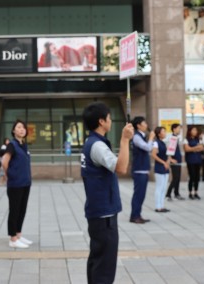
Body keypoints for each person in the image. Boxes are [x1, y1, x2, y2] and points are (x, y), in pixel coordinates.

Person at [81, 102, 134, 284]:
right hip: (104, 213)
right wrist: (125, 139)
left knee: (98, 259)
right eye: (109, 118)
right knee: (105, 264)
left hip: (98, 210)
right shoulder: (97, 146)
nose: (111, 121)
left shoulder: (92, 142)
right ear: (101, 121)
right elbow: (121, 167)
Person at [2, 120, 32, 249]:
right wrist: (10, 175)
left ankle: (18, 235)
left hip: (25, 183)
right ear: (14, 130)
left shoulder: (24, 145)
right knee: (14, 211)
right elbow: (4, 162)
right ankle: (12, 238)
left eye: (23, 128)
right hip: (15, 184)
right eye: (19, 127)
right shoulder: (12, 145)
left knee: (22, 210)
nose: (22, 129)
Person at [130, 116, 155, 224]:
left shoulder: (142, 136)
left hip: (143, 170)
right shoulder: (136, 137)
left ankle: (138, 214)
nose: (146, 125)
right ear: (138, 125)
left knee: (141, 194)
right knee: (138, 194)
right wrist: (151, 138)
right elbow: (147, 148)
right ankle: (134, 216)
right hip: (139, 170)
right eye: (144, 123)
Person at [152, 127, 171, 213]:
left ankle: (162, 205)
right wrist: (163, 162)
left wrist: (167, 162)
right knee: (159, 187)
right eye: (163, 131)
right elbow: (154, 155)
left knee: (164, 187)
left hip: (165, 167)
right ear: (159, 134)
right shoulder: (156, 143)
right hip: (159, 167)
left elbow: (168, 154)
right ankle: (157, 206)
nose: (165, 133)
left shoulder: (164, 143)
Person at [184, 126, 204, 200]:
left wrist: (192, 148)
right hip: (190, 160)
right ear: (190, 131)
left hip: (198, 160)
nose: (195, 131)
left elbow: (202, 148)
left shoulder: (198, 139)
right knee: (192, 176)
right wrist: (196, 148)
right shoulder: (186, 140)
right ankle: (190, 193)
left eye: (196, 130)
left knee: (197, 177)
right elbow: (187, 149)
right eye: (193, 130)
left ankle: (196, 192)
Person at [166, 123, 185, 200]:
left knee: (178, 178)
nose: (179, 130)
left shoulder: (177, 137)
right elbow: (169, 150)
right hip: (174, 161)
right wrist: (171, 159)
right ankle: (168, 194)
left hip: (178, 160)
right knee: (175, 178)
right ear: (174, 129)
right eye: (178, 128)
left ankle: (176, 193)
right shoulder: (172, 138)